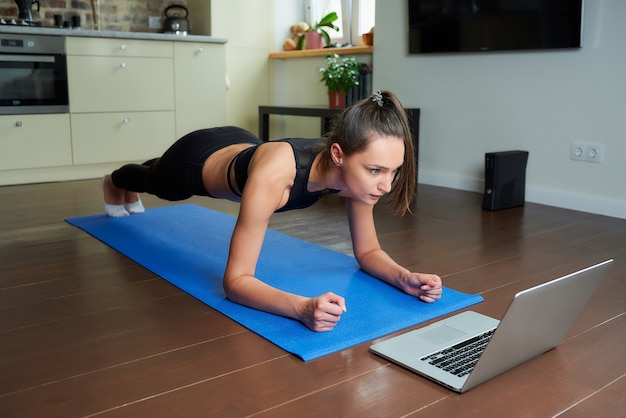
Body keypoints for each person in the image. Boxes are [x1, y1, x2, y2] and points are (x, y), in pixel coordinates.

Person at [102, 90, 443, 332]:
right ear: (338, 154)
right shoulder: (274, 177)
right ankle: (115, 181)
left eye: (393, 171)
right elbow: (235, 282)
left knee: (155, 174)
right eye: (376, 171)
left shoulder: (355, 178)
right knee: (155, 180)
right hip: (197, 159)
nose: (386, 185)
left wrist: (405, 278)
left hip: (242, 143)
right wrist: (301, 308)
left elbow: (368, 251)